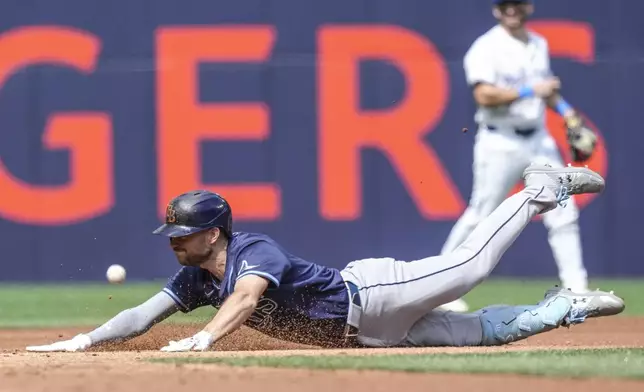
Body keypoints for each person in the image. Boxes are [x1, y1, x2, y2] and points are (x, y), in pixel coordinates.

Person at [25, 163, 622, 352]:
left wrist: (206, 339)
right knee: (480, 334)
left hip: (377, 294)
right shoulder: (195, 279)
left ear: (214, 232)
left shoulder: (254, 252)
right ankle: (563, 307)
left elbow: (248, 297)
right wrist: (82, 341)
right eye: (172, 233)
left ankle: (541, 188)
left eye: (183, 233)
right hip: (366, 338)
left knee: (470, 267)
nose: (174, 241)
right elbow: (142, 314)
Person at [437, 0, 598, 313]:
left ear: (529, 7)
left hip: (538, 138)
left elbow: (547, 89)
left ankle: (576, 288)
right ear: (496, 10)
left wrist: (568, 114)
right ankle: (441, 285)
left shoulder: (539, 43)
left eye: (518, 3)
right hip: (500, 140)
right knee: (480, 213)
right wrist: (530, 90)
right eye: (505, 4)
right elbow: (484, 95)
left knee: (563, 209)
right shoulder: (486, 47)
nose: (512, 9)